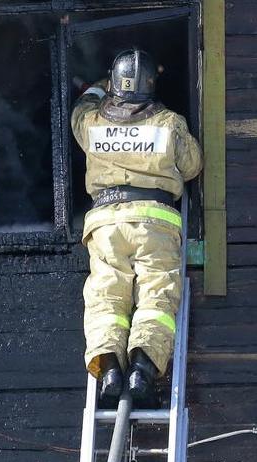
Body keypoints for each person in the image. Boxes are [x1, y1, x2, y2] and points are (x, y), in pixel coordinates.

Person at [73, 49, 203, 409]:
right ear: (151, 84)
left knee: (106, 300)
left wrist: (97, 88)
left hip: (105, 226)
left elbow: (79, 108)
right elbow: (192, 166)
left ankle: (111, 370)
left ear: (114, 83)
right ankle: (142, 368)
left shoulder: (91, 122)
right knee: (156, 299)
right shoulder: (169, 123)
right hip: (155, 224)